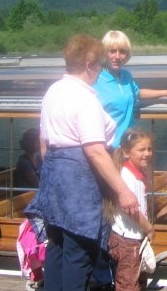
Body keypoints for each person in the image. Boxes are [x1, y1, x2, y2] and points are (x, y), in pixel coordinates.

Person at [25, 34, 139, 291]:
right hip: (79, 184)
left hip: (54, 179)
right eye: (99, 65)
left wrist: (53, 176)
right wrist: (124, 191)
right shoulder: (85, 99)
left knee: (58, 246)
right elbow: (95, 151)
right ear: (89, 65)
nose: (100, 72)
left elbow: (44, 143)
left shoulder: (53, 91)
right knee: (80, 252)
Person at [94, 30, 167, 149]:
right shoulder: (96, 79)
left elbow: (137, 93)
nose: (117, 56)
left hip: (127, 146)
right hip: (107, 148)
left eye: (122, 52)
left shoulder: (126, 75)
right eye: (112, 51)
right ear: (104, 53)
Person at [106, 128, 155, 291]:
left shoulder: (136, 174)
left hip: (134, 237)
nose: (147, 153)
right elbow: (132, 210)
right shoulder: (128, 176)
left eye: (149, 149)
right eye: (141, 150)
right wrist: (149, 228)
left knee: (139, 280)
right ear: (127, 152)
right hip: (128, 240)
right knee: (128, 284)